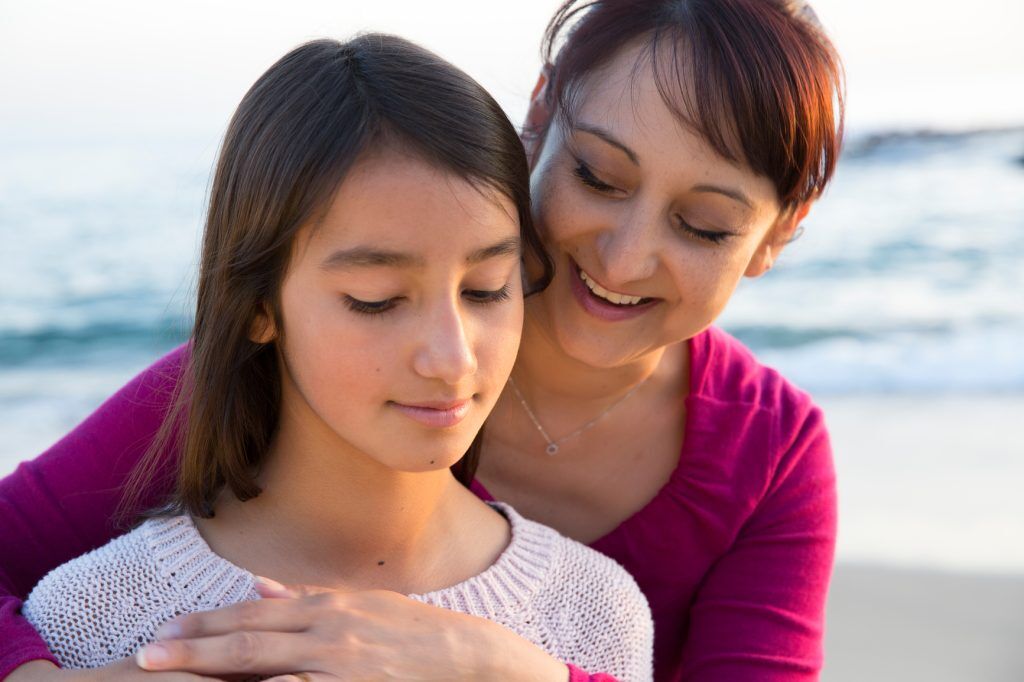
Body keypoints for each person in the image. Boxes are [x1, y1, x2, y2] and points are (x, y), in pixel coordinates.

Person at [1, 0, 844, 680]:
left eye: (703, 226)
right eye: (596, 175)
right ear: (540, 115)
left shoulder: (767, 455)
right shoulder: (280, 369)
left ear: (775, 236)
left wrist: (507, 669)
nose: (624, 255)